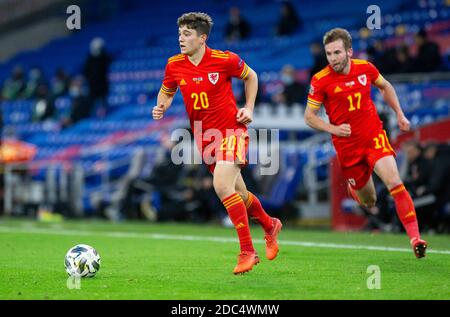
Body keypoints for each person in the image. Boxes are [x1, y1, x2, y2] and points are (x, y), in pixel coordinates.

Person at [152, 12, 282, 274]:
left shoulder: (224, 60)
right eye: (179, 34)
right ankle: (269, 225)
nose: (181, 38)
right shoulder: (174, 65)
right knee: (240, 195)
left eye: (187, 34)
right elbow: (167, 91)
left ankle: (247, 252)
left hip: (231, 132)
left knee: (221, 185)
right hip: (205, 139)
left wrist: (249, 107)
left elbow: (252, 77)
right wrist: (162, 106)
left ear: (202, 38)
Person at [304, 28, 427, 258]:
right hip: (348, 147)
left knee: (394, 182)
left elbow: (385, 86)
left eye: (337, 52)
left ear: (349, 51)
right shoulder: (320, 80)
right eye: (329, 54)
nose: (333, 58)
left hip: (373, 136)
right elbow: (309, 116)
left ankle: (415, 238)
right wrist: (333, 129)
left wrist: (399, 114)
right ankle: (355, 188)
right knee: (370, 200)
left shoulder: (365, 68)